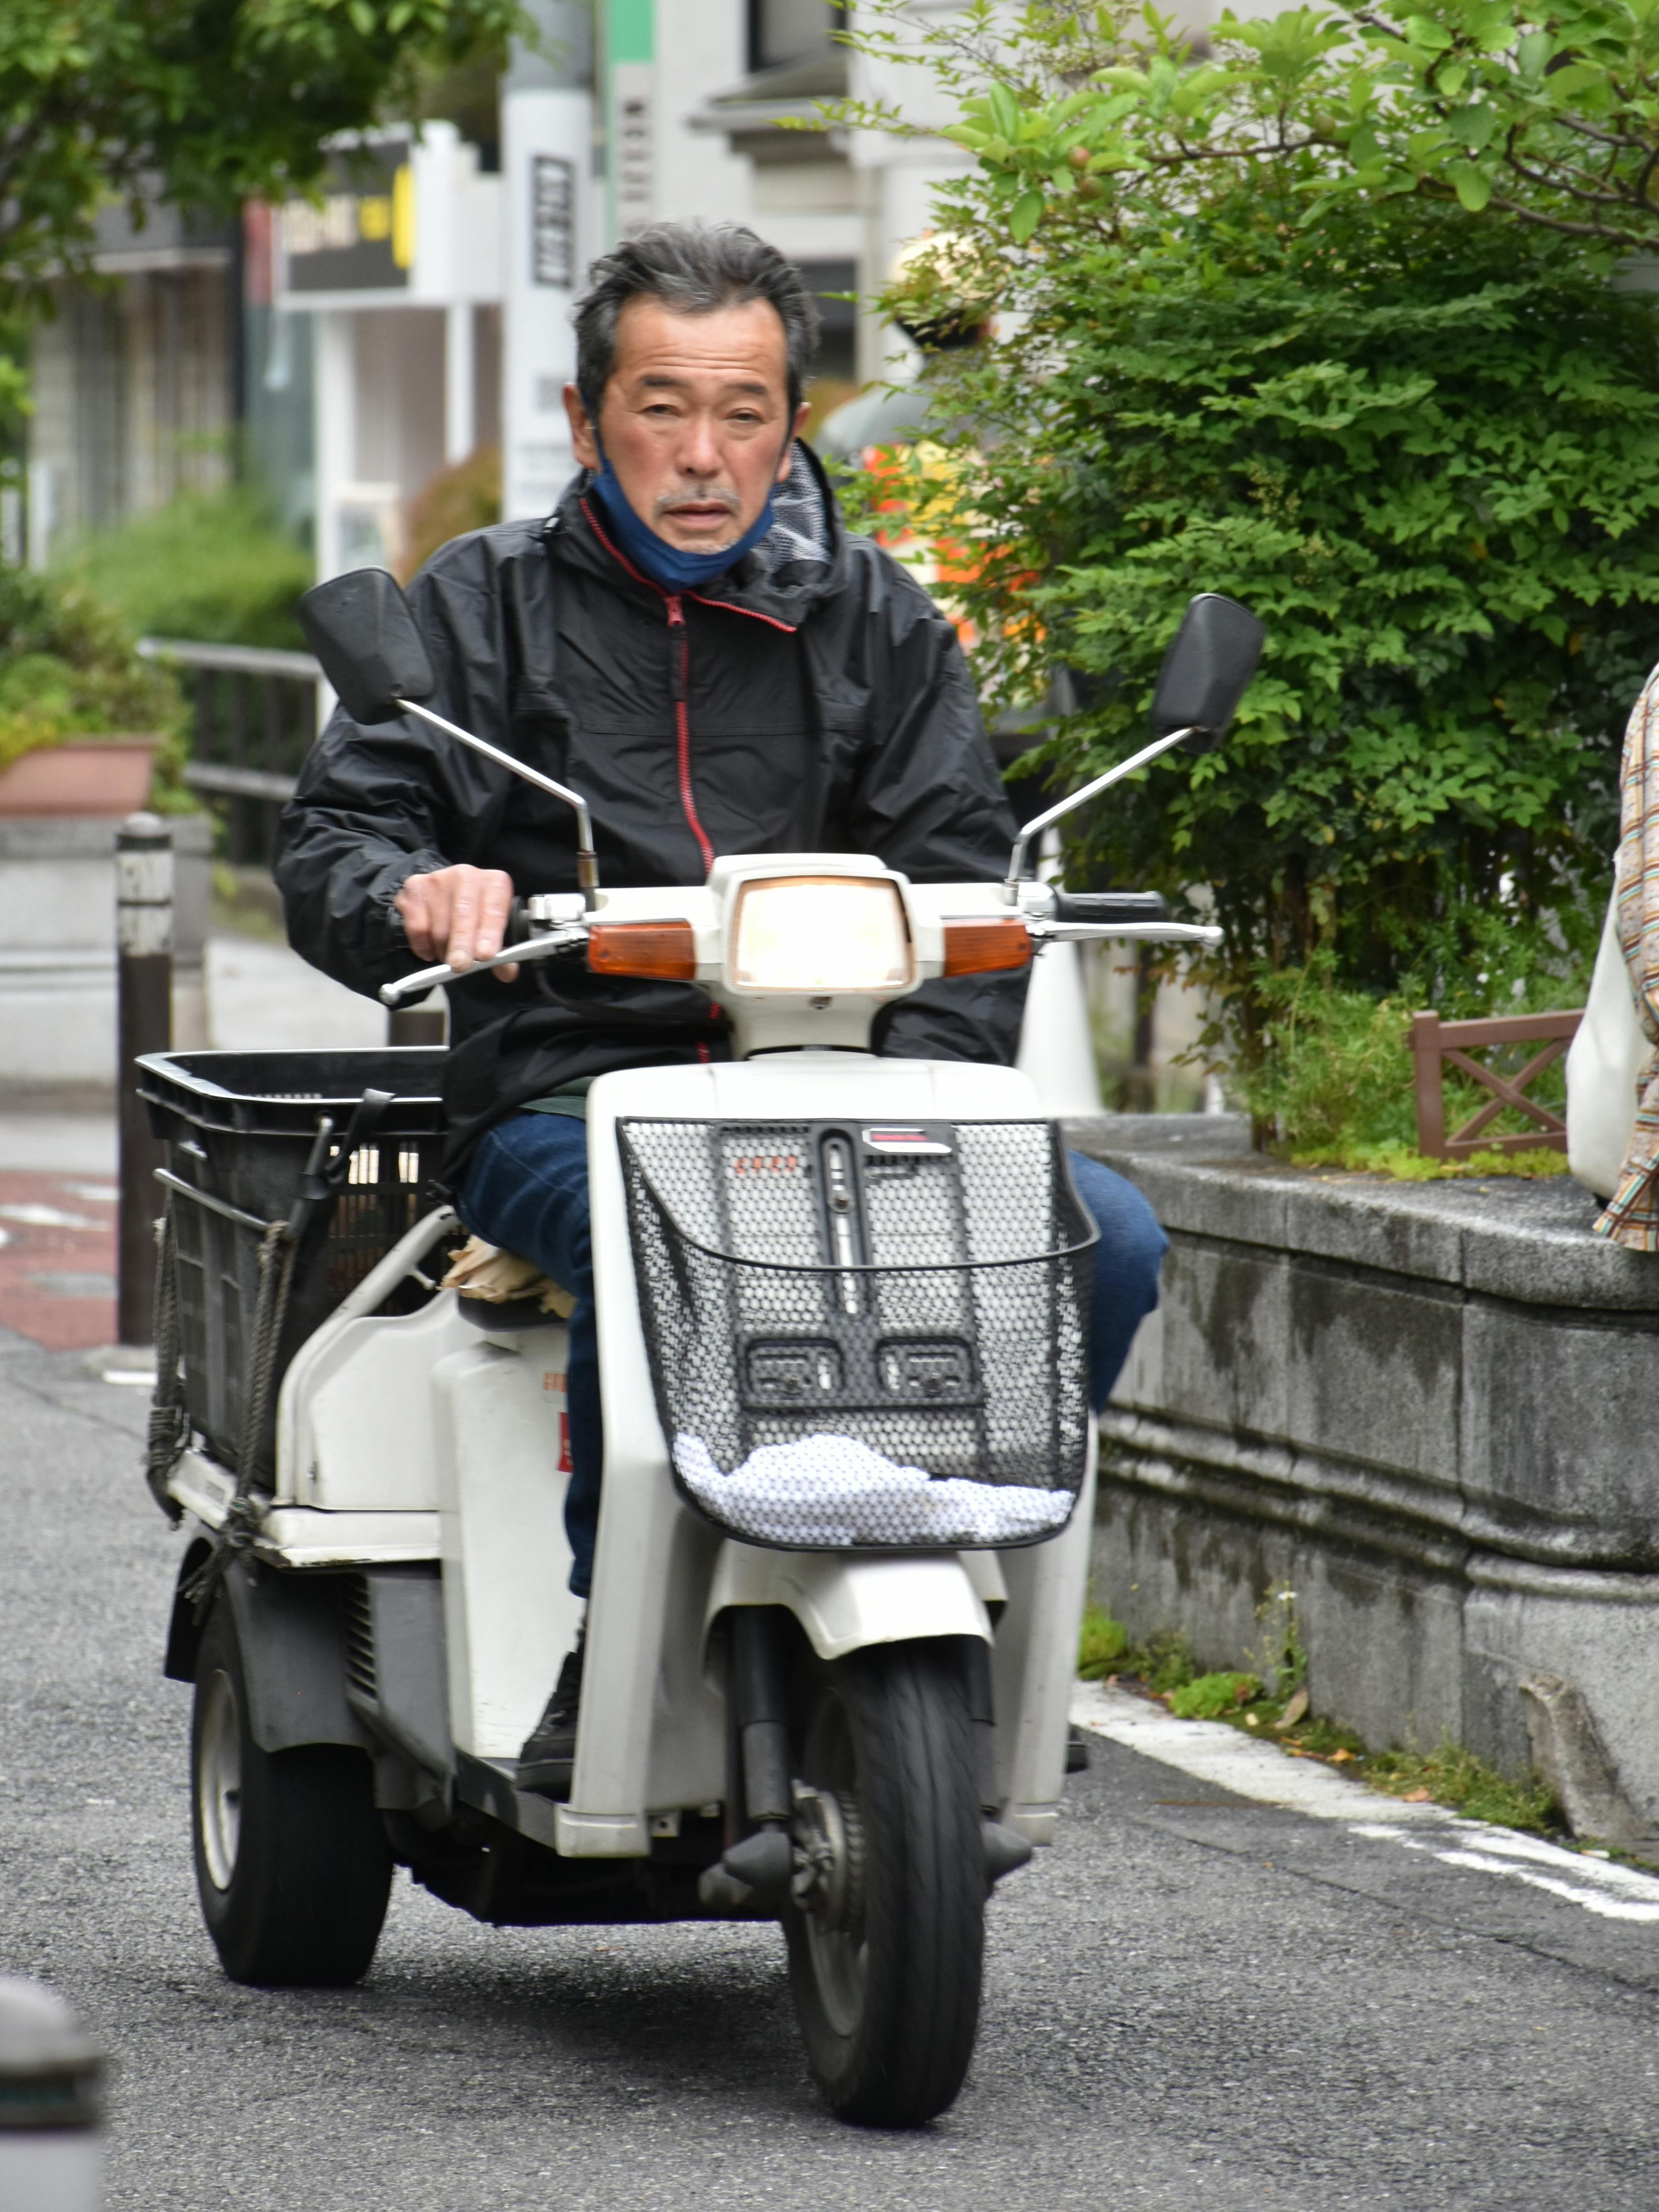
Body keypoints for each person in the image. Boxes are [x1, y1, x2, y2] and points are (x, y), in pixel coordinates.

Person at [276, 220, 1167, 1790]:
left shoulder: (883, 621)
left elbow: (967, 872)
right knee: (665, 1231)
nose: (705, 454)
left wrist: (939, 1089)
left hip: (856, 1082)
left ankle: (969, 1596)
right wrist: (416, 888)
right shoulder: (475, 612)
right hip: (566, 1091)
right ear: (583, 418)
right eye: (663, 407)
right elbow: (342, 838)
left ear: (792, 423)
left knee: (1113, 1240)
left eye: (744, 411)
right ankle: (603, 1643)